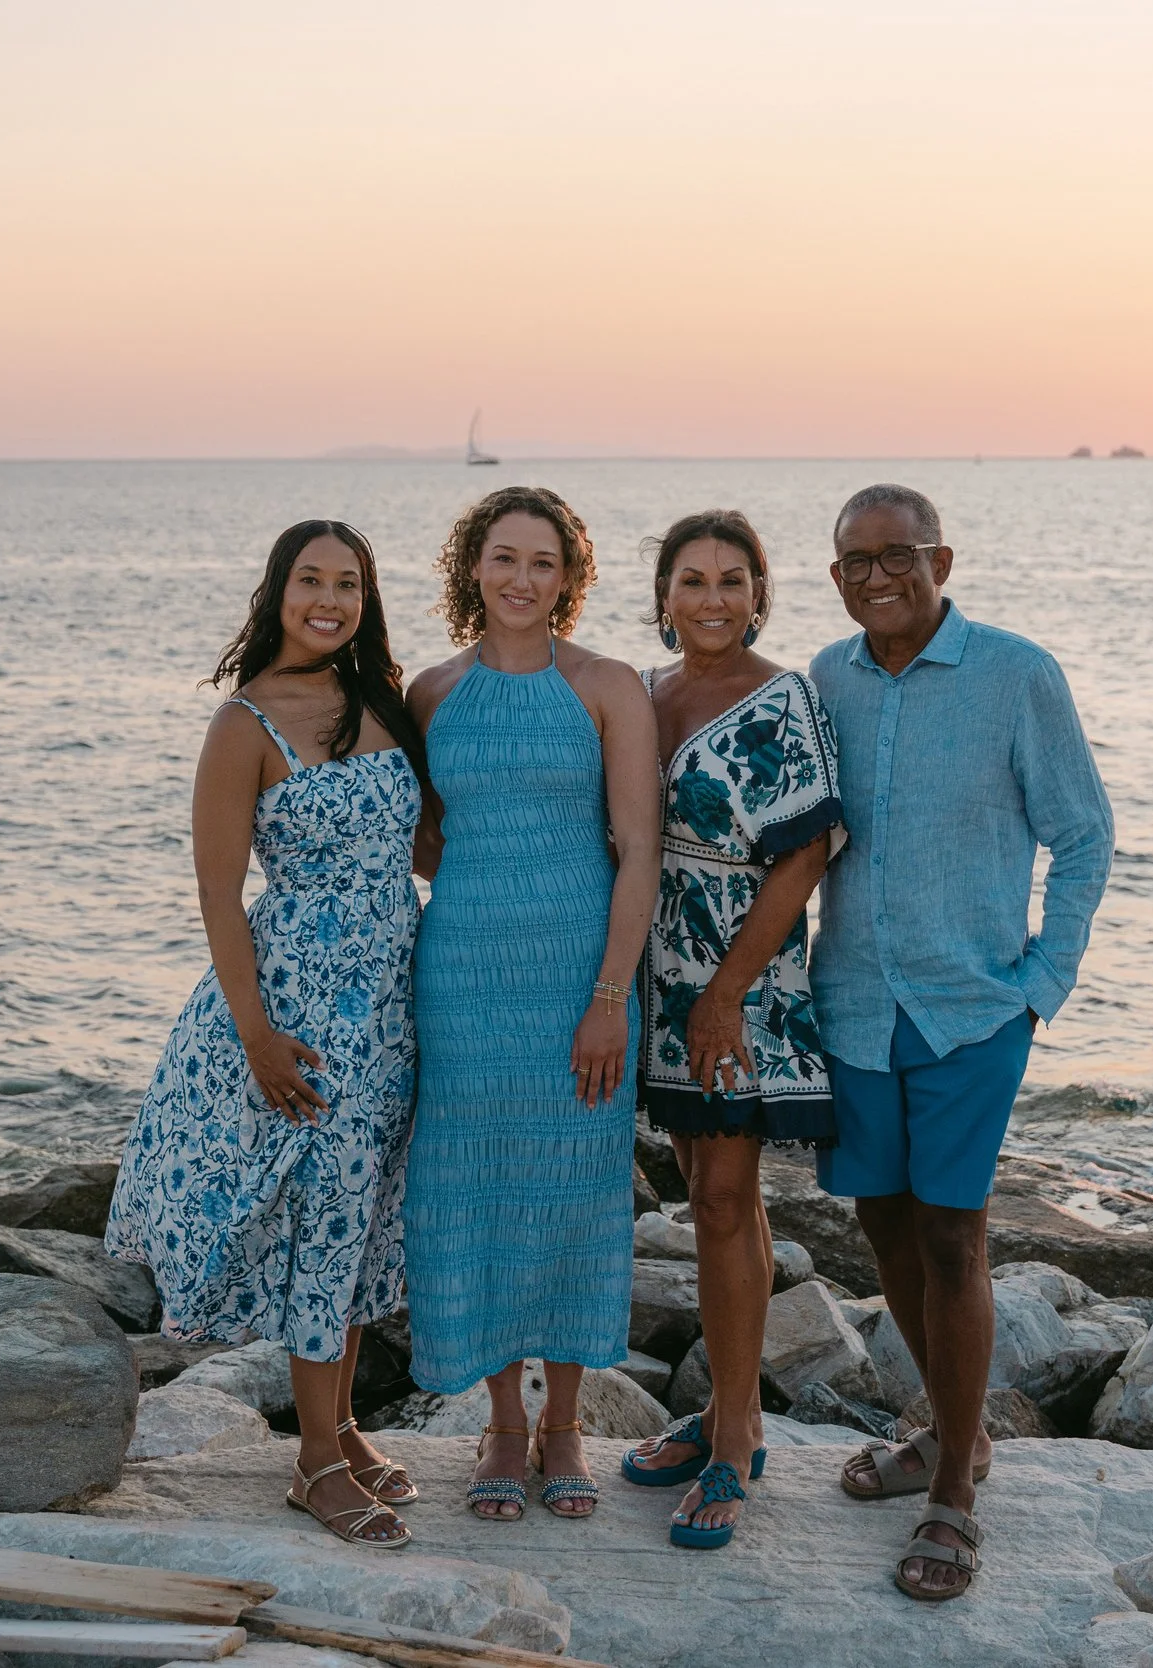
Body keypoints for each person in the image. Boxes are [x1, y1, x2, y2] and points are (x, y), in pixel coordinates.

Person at [809, 483, 1113, 1601]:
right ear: (834, 576)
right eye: (854, 563)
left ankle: (953, 1498)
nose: (877, 577)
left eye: (897, 556)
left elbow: (1083, 835)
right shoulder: (826, 679)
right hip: (850, 1004)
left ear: (942, 558)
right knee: (883, 1229)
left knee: (953, 1236)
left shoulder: (1016, 674)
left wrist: (1042, 982)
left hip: (971, 1008)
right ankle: (949, 1432)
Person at [106, 519, 429, 1551]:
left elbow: (428, 846)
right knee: (320, 1217)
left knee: (360, 1213)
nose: (327, 600)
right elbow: (216, 894)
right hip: (297, 1009)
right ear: (277, 593)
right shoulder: (243, 723)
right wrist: (256, 1034)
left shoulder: (383, 701)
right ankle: (315, 1464)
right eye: (309, 581)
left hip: (392, 1004)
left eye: (347, 583)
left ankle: (338, 1429)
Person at [403, 485, 661, 1522]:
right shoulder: (431, 692)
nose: (521, 579)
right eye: (503, 558)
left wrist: (609, 996)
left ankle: (565, 1429)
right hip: (462, 980)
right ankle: (503, 1424)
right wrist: (483, 887)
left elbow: (639, 849)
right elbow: (426, 836)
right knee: (474, 1189)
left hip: (580, 976)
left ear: (569, 576)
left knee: (573, 1194)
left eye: (542, 562)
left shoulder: (608, 688)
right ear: (473, 568)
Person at [617, 510, 840, 1550]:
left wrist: (723, 993)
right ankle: (721, 1411)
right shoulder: (642, 695)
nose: (712, 598)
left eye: (732, 581)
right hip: (657, 970)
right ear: (661, 596)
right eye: (692, 580)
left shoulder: (781, 700)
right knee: (714, 1195)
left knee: (717, 1195)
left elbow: (805, 855)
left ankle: (736, 1434)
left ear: (759, 594)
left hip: (739, 972)